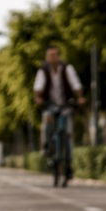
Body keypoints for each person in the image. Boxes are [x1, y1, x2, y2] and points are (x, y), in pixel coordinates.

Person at [34, 45, 85, 186]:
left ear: (58, 56)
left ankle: (68, 163)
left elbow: (76, 84)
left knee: (67, 132)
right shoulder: (43, 70)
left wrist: (79, 97)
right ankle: (47, 147)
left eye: (54, 55)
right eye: (49, 55)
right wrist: (39, 98)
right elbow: (38, 87)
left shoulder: (67, 68)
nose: (52, 58)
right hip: (50, 105)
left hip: (65, 105)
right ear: (47, 57)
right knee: (47, 124)